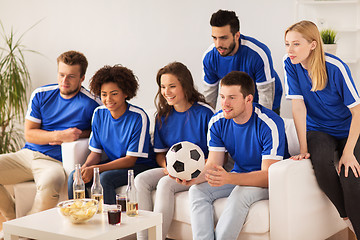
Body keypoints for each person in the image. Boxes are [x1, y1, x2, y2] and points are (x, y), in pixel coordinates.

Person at [182, 71, 289, 239]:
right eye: (222, 96)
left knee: (241, 194)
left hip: (269, 183)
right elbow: (213, 165)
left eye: (232, 97)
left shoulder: (270, 124)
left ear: (248, 99)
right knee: (197, 190)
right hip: (238, 176)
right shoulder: (217, 122)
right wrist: (193, 177)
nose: (225, 103)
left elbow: (268, 177)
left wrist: (230, 178)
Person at [0, 51, 101, 220]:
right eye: (61, 75)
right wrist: (59, 135)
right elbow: (30, 134)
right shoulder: (41, 94)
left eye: (71, 76)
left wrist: (80, 134)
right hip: (26, 155)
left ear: (82, 78)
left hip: (53, 162)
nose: (64, 81)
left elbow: (100, 133)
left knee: (51, 182)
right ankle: (13, 218)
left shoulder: (92, 103)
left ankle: (28, 231)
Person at [284, 20, 360, 237]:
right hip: (318, 129)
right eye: (287, 44)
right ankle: (346, 218)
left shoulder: (336, 68)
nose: (290, 50)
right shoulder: (290, 63)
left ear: (313, 45)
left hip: (348, 129)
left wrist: (348, 153)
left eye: (296, 44)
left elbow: (358, 112)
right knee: (322, 165)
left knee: (351, 177)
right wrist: (303, 148)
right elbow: (298, 107)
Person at [134, 62, 214, 240]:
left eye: (172, 86)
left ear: (184, 86)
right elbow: (160, 154)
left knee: (165, 184)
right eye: (163, 87)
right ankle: (143, 237)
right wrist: (168, 166)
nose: (166, 91)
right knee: (141, 180)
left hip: (201, 171)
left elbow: (216, 155)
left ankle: (157, 238)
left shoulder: (205, 113)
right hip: (173, 169)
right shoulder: (162, 116)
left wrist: (195, 172)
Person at [67, 65, 156, 204]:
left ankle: (112, 221)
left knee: (105, 179)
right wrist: (85, 168)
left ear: (125, 93)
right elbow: (96, 153)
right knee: (75, 175)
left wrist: (94, 170)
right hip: (115, 164)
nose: (108, 99)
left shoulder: (138, 117)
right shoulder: (99, 114)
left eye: (114, 93)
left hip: (139, 166)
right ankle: (82, 217)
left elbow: (130, 160)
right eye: (104, 94)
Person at [203, 9, 282, 114]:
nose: (218, 44)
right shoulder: (210, 57)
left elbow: (266, 97)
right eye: (215, 38)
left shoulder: (258, 54)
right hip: (235, 103)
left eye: (223, 38)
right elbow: (209, 99)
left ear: (236, 36)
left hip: (264, 100)